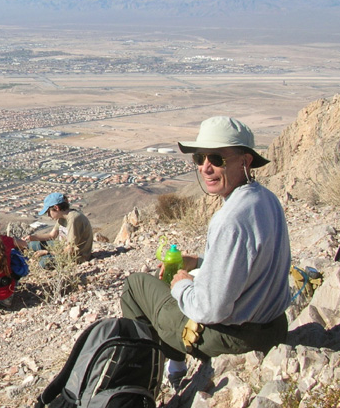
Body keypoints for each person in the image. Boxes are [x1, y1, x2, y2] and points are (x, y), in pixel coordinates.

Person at [120, 116, 291, 388]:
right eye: (200, 159)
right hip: (273, 326)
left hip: (235, 339)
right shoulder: (266, 199)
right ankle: (172, 365)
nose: (205, 168)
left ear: (245, 162)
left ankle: (144, 386)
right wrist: (200, 261)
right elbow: (248, 263)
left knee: (135, 286)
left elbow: (209, 309)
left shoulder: (230, 219)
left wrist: (182, 286)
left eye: (216, 158)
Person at [24, 192, 93, 268]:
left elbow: (71, 249)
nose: (49, 215)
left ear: (56, 208)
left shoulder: (73, 219)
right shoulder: (62, 217)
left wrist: (48, 252)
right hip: (62, 247)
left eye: (48, 212)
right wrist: (32, 238)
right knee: (32, 245)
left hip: (76, 256)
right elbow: (52, 235)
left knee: (44, 262)